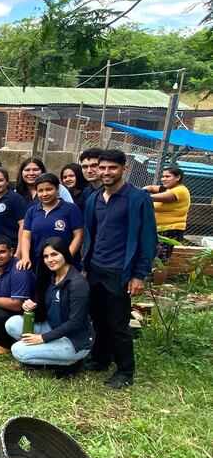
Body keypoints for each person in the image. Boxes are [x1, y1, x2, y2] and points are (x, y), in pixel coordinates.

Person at [82, 149, 157, 389]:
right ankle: (101, 359)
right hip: (95, 269)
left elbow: (148, 239)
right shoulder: (94, 198)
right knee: (98, 319)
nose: (105, 172)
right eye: (101, 168)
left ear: (124, 169)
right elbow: (89, 236)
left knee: (118, 323)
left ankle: (125, 371)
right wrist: (85, 266)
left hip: (119, 271)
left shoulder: (137, 198)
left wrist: (139, 274)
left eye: (111, 168)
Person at [5, 237, 94, 376]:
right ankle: (48, 352)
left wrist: (42, 338)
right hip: (53, 328)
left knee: (18, 350)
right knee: (12, 323)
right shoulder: (51, 277)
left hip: (74, 340)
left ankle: (74, 361)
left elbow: (76, 322)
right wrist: (33, 305)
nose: (49, 259)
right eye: (46, 256)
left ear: (64, 254)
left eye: (54, 254)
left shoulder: (78, 284)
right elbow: (50, 305)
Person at [18, 173, 83, 271]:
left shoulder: (70, 209)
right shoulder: (32, 211)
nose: (44, 194)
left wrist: (66, 258)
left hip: (66, 266)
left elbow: (78, 236)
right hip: (39, 264)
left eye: (49, 189)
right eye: (40, 190)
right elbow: (26, 236)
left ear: (57, 190)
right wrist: (25, 257)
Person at [143, 165, 191, 270]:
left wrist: (138, 194)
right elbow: (151, 188)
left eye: (167, 176)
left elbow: (151, 198)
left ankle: (158, 284)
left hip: (169, 229)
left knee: (160, 260)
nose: (164, 179)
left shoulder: (180, 191)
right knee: (153, 257)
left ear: (178, 177)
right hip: (159, 229)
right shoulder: (167, 188)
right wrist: (143, 189)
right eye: (163, 176)